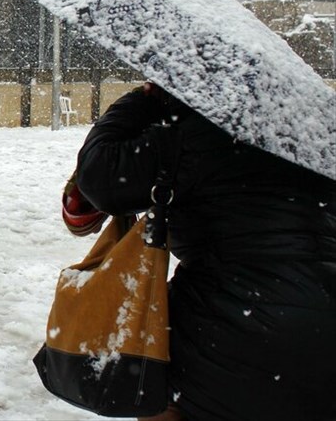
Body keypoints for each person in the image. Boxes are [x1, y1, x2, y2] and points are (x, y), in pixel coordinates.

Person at [74, 83, 336, 421]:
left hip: (236, 325)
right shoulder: (315, 135)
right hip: (326, 323)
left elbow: (99, 175)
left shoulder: (197, 131)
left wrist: (143, 98)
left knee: (147, 379)